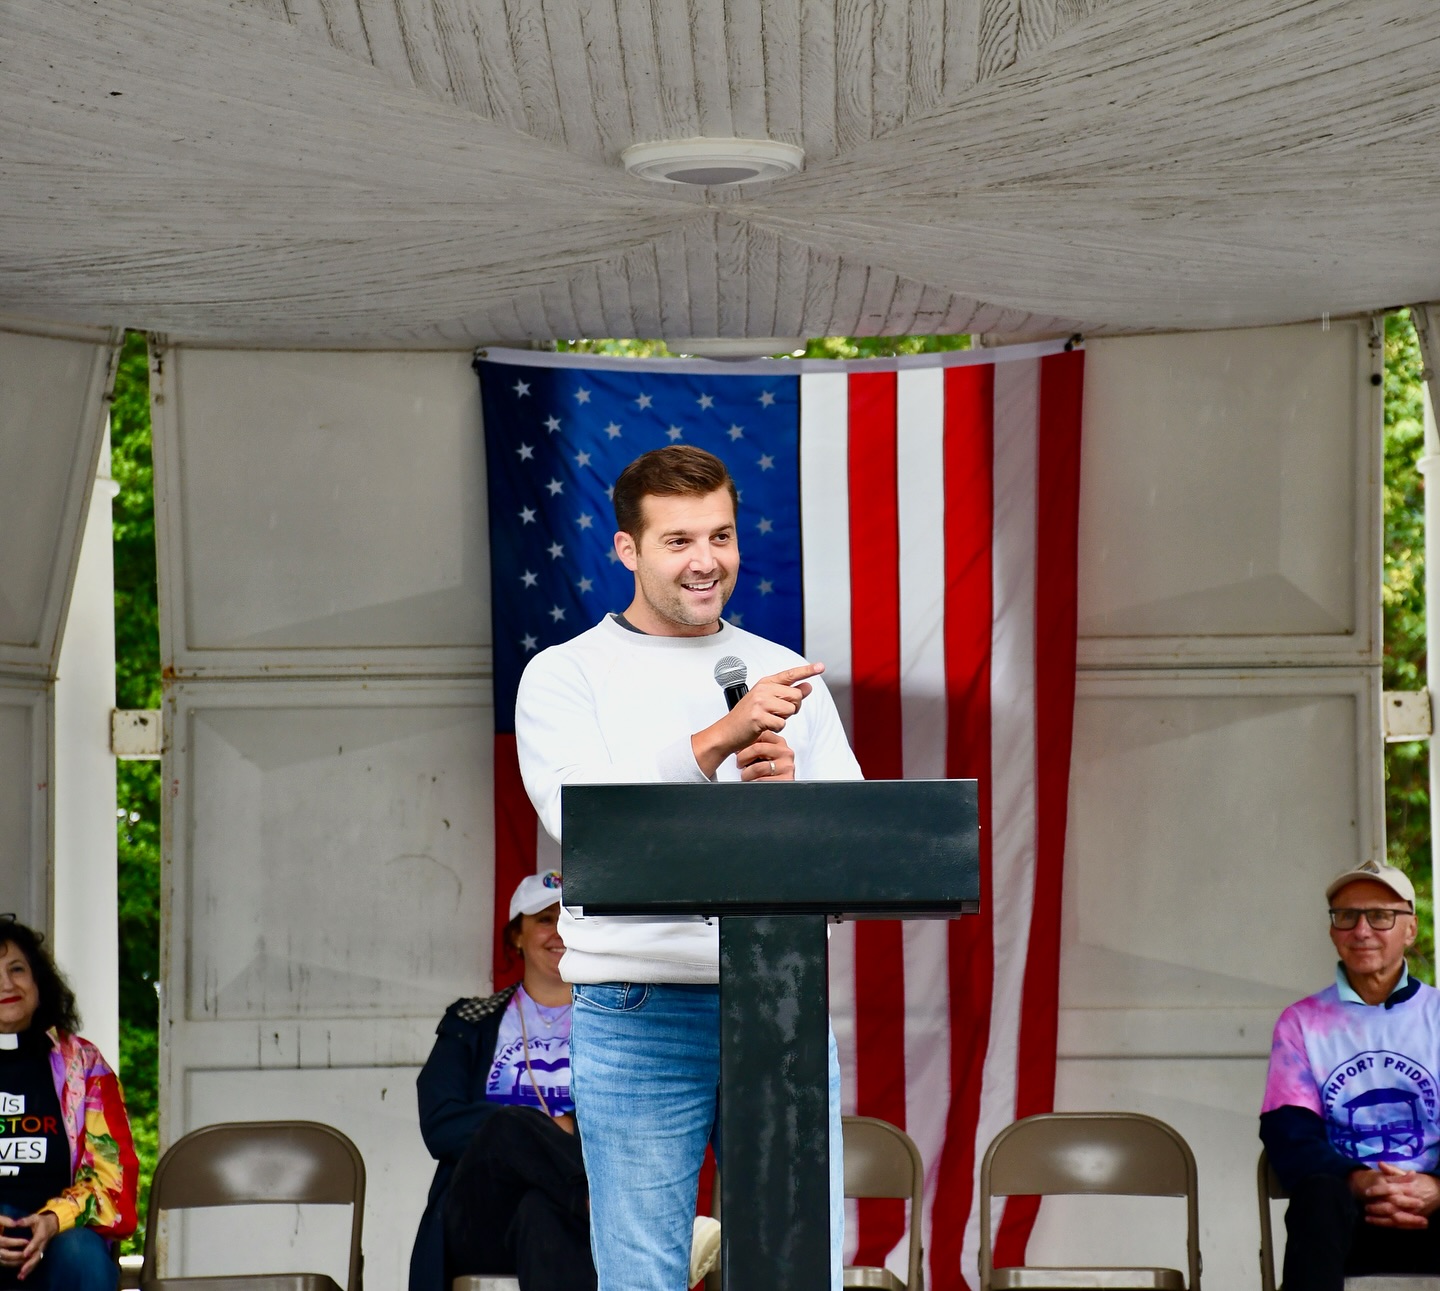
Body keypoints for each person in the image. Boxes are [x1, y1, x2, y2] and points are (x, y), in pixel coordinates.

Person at [515, 445, 862, 1291]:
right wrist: (717, 741)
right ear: (627, 549)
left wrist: (793, 803)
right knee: (642, 1276)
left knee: (793, 1273)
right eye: (678, 541)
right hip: (636, 1010)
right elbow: (587, 828)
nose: (706, 561)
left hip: (778, 1001)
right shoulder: (565, 674)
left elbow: (860, 858)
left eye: (721, 536)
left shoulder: (784, 672)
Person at [1260, 859, 1440, 1289]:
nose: (1361, 930)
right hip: (1345, 1212)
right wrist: (1358, 1180)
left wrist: (1436, 1187)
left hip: (1434, 1206)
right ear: (1332, 930)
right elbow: (1288, 1132)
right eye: (1346, 916)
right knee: (1317, 1197)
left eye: (1380, 916)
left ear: (1410, 929)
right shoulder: (1301, 1022)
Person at [410, 871, 594, 1291]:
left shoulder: (617, 1025)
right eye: (545, 920)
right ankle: (603, 1207)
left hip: (558, 1225)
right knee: (507, 1125)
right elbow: (441, 1123)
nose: (559, 932)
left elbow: (634, 1118)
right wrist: (546, 1127)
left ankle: (584, 1203)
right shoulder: (470, 1022)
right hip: (481, 1219)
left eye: (570, 920)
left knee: (541, 1211)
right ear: (516, 936)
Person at [0, 918, 138, 1290]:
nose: (6, 984)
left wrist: (53, 1219)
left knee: (82, 1253)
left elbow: (113, 1182)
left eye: (17, 969)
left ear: (39, 983)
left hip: (59, 1239)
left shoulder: (83, 1065)